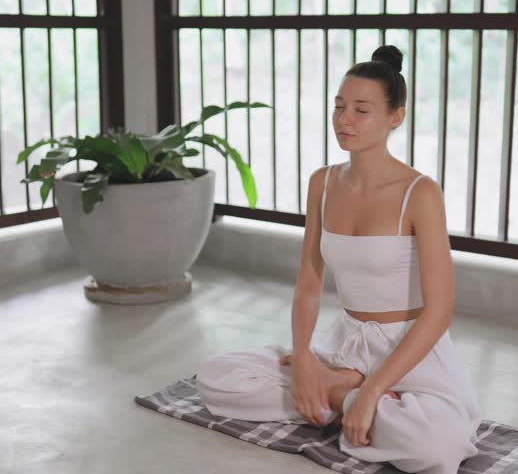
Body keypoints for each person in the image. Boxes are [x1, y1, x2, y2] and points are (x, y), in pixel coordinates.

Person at [195, 45, 481, 474]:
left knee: (436, 447)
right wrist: (306, 357)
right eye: (339, 107)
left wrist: (370, 392)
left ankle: (350, 397)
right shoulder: (323, 182)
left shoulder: (420, 193)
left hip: (409, 349)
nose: (344, 120)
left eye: (361, 110)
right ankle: (339, 393)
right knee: (217, 377)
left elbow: (439, 313)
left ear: (395, 117)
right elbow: (310, 280)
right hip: (345, 344)